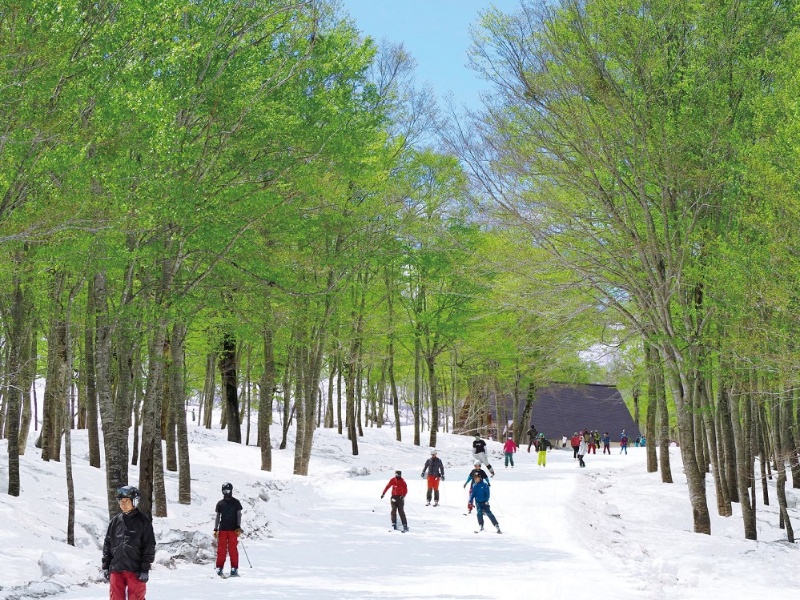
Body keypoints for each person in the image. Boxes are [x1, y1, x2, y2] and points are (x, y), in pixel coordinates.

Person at [102, 485, 156, 600]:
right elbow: (108, 544)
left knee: (136, 598)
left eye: (126, 501)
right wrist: (106, 566)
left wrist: (145, 568)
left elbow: (149, 546)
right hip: (116, 568)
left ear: (134, 501)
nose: (123, 504)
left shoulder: (143, 522)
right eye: (121, 501)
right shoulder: (115, 521)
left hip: (135, 570)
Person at [214, 482, 243, 577]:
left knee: (232, 549)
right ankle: (219, 567)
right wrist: (215, 529)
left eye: (228, 490)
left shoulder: (236, 502)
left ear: (231, 491)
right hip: (222, 530)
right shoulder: (220, 503)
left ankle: (234, 568)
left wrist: (238, 527)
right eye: (224, 491)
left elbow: (239, 515)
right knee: (221, 549)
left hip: (233, 530)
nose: (226, 492)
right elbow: (218, 516)